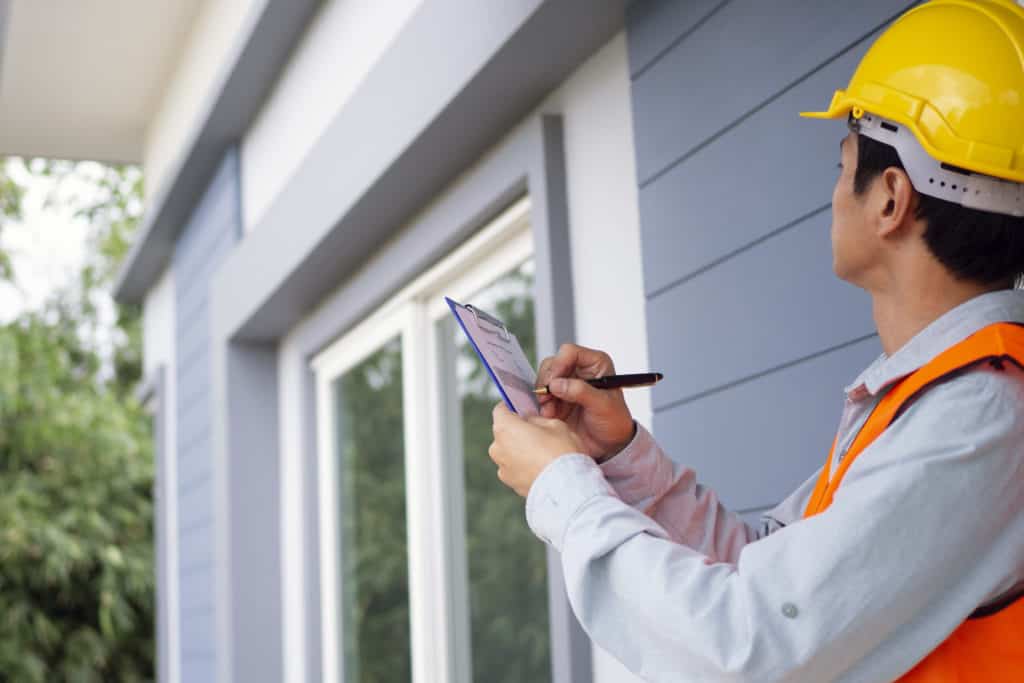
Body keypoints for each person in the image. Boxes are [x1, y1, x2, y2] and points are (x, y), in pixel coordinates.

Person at [487, 1, 1024, 680]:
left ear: (890, 199)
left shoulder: (979, 416)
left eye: (842, 162)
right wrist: (620, 456)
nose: (831, 193)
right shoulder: (932, 401)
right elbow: (760, 575)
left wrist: (563, 489)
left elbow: (748, 646)